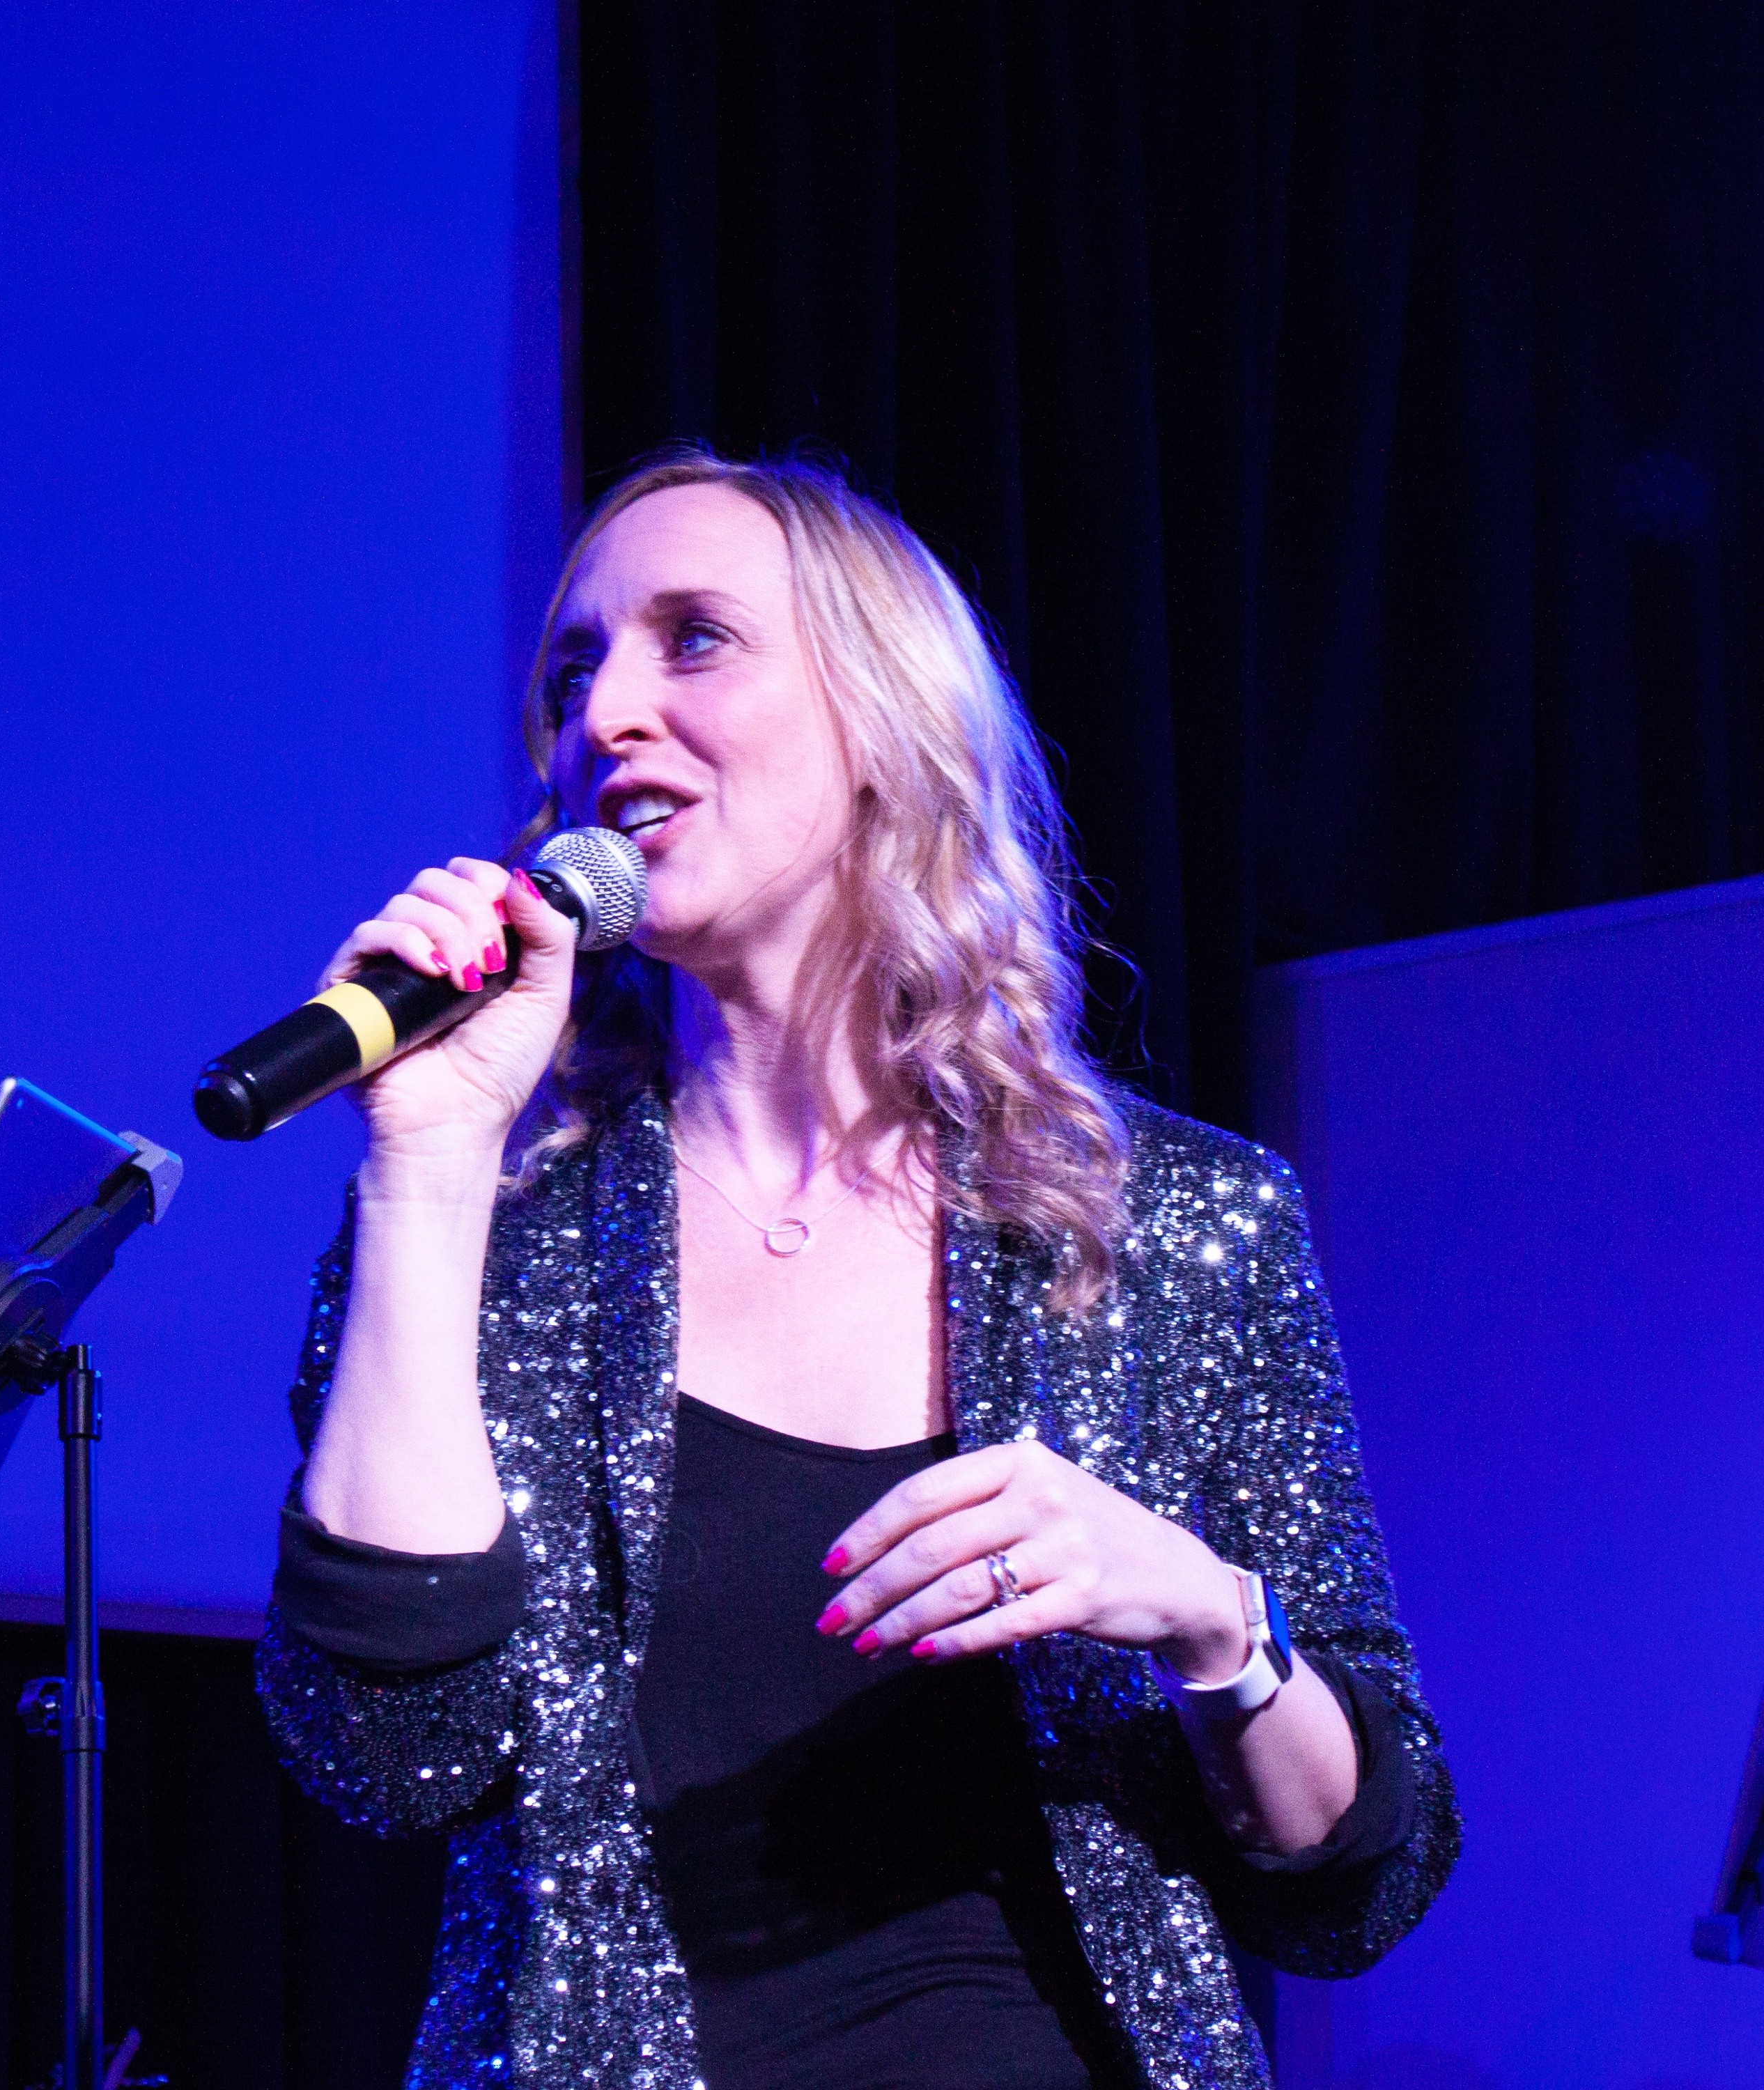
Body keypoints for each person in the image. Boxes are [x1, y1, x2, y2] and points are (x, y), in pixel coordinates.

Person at [257, 451, 1459, 2090]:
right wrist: (426, 1160)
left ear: (882, 721)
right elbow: (384, 1759)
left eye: (693, 640)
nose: (605, 714)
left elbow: (1362, 1877)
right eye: (574, 671)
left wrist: (1203, 1616)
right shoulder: (498, 1234)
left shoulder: (1178, 1221)